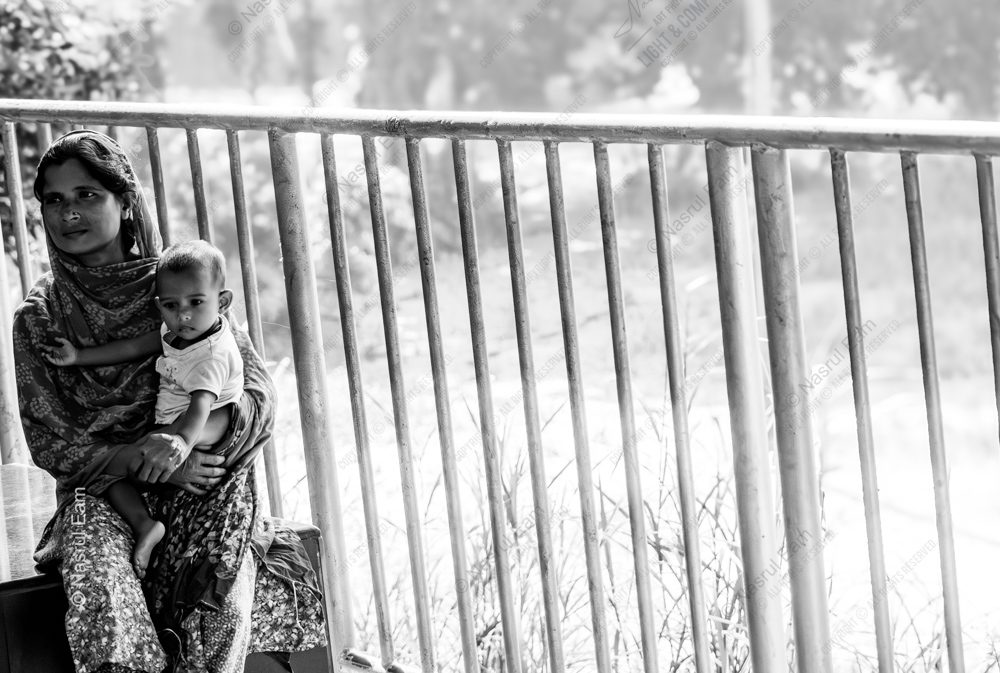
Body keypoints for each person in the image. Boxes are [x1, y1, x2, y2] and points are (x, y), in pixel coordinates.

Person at [13, 129, 326, 673]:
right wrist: (147, 463)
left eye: (87, 195)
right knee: (101, 586)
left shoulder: (181, 286)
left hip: (203, 478)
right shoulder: (41, 317)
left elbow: (256, 399)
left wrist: (182, 444)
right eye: (54, 201)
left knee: (210, 604)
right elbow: (51, 440)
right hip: (104, 494)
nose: (69, 214)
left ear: (125, 201)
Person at [40, 240, 246, 579]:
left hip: (201, 425)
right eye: (171, 305)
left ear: (222, 302)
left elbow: (200, 407)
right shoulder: (177, 330)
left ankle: (145, 523)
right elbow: (134, 346)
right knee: (107, 475)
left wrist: (180, 443)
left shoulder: (211, 355)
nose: (183, 315)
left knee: (110, 470)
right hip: (176, 425)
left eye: (196, 302)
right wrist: (79, 357)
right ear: (159, 306)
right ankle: (146, 525)